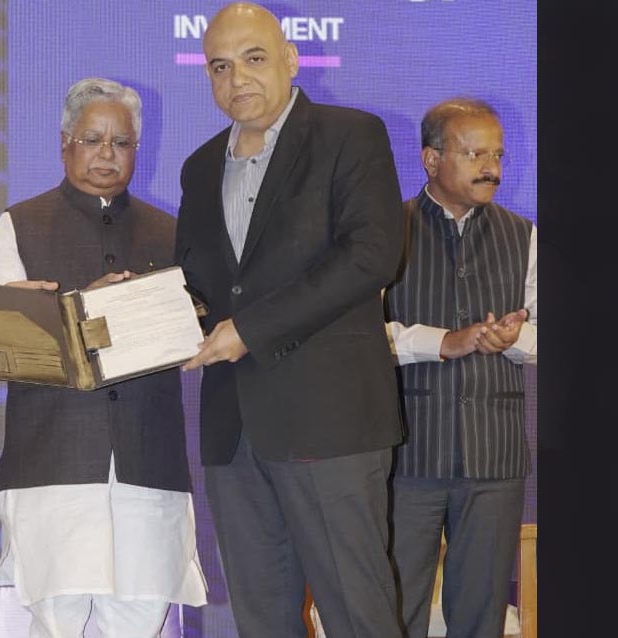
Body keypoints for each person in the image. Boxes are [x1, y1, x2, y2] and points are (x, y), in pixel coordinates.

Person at [176, 3, 405, 637]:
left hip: (328, 420)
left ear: (291, 59)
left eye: (254, 58)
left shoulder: (350, 136)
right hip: (233, 429)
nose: (237, 78)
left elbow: (371, 255)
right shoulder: (199, 166)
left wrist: (249, 330)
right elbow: (199, 284)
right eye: (220, 66)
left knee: (357, 615)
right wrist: (144, 304)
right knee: (261, 620)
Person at [0, 77, 207, 638]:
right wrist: (89, 309)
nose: (107, 153)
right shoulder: (20, 223)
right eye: (93, 139)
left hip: (148, 464)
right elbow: (2, 343)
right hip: (52, 460)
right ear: (65, 143)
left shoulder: (172, 232)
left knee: (140, 619)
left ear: (137, 149)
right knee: (56, 622)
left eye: (121, 142)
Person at [384, 97, 537, 638]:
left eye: (497, 155)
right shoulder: (385, 230)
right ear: (431, 160)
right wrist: (442, 342)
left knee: (482, 615)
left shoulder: (524, 234)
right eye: (475, 155)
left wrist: (514, 340)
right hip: (406, 452)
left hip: (494, 458)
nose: (491, 168)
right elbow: (358, 335)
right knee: (393, 611)